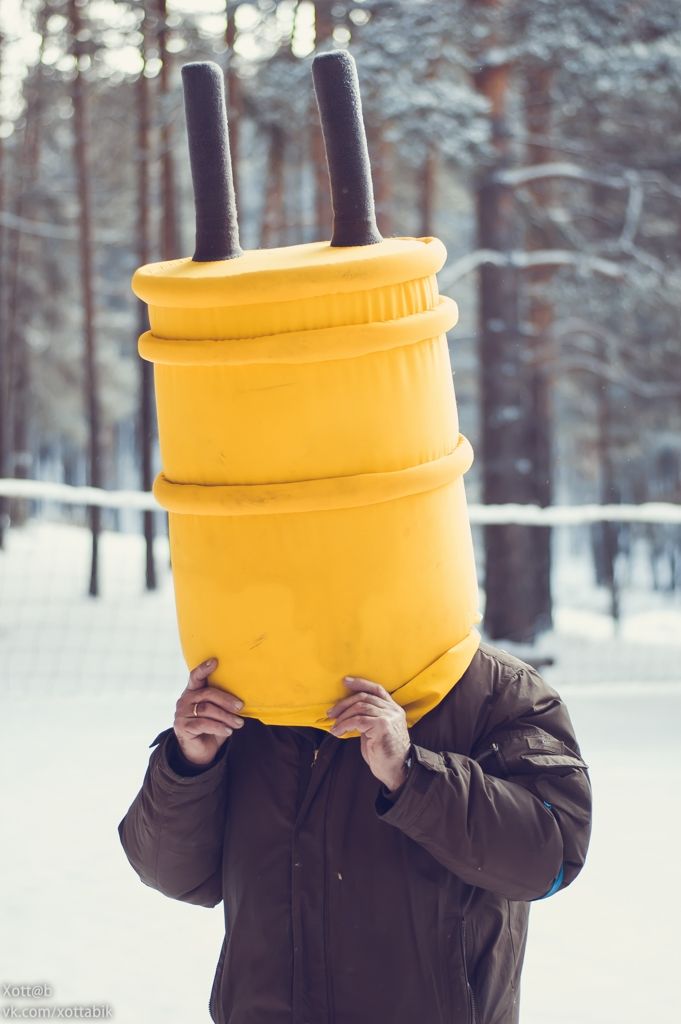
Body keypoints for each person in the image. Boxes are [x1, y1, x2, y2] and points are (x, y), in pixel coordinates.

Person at [118, 642, 591, 1024]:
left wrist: (413, 775)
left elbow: (548, 859)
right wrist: (189, 763)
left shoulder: (499, 691)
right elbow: (173, 873)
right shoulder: (250, 698)